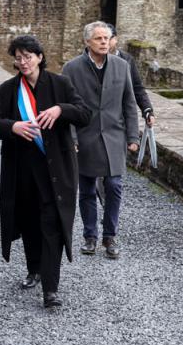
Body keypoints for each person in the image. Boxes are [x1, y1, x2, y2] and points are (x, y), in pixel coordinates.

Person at [0, 35, 91, 309]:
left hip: (55, 169)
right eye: (18, 58)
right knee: (30, 223)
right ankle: (34, 269)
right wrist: (13, 127)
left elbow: (84, 113)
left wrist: (60, 109)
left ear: (39, 57)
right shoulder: (9, 89)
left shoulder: (60, 84)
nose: (22, 62)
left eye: (27, 56)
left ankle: (50, 289)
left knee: (52, 225)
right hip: (22, 170)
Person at [61, 22, 154, 260]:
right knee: (88, 189)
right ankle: (90, 237)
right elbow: (67, 108)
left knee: (114, 186)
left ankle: (110, 236)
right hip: (84, 136)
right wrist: (70, 137)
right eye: (99, 38)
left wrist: (133, 136)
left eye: (107, 38)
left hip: (114, 135)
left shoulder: (122, 66)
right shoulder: (71, 69)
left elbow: (129, 103)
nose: (104, 42)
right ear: (87, 42)